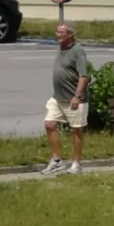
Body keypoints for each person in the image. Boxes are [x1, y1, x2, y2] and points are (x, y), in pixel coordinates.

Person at [43, 20, 91, 175]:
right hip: (58, 97)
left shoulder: (78, 51)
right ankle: (56, 160)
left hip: (74, 99)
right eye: (57, 32)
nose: (57, 35)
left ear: (70, 34)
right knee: (49, 124)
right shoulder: (61, 48)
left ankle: (76, 164)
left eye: (61, 33)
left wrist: (77, 96)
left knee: (76, 131)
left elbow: (83, 76)